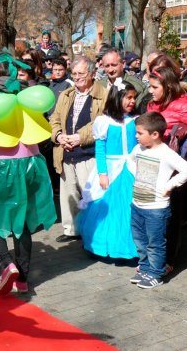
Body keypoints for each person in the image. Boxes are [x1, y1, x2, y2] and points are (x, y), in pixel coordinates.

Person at [0, 56, 57, 295]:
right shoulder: (24, 93)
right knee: (24, 219)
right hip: (32, 163)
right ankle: (23, 280)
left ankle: (6, 263)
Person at [128, 112, 187, 289]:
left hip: (156, 208)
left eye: (140, 133)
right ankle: (146, 268)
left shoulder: (166, 153)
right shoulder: (138, 149)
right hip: (137, 204)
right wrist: (138, 175)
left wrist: (169, 185)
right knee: (140, 239)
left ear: (155, 134)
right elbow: (130, 161)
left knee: (155, 242)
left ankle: (156, 273)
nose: (136, 136)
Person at [77, 79, 139, 259]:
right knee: (108, 208)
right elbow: (100, 149)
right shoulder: (103, 121)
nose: (132, 101)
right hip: (111, 170)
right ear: (116, 98)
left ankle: (130, 246)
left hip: (131, 169)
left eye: (134, 98)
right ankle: (104, 245)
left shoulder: (135, 120)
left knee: (128, 208)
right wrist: (102, 173)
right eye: (128, 98)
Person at [50, 56, 107, 243]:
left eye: (81, 73)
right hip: (66, 151)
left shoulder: (103, 95)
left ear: (91, 73)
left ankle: (93, 231)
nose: (76, 77)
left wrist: (78, 138)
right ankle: (71, 230)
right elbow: (55, 118)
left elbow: (100, 123)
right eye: (73, 73)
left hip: (88, 153)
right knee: (69, 193)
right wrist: (59, 136)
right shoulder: (66, 94)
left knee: (90, 194)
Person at [96, 48, 148, 113]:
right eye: (107, 66)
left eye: (114, 65)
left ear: (123, 64)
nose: (110, 70)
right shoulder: (98, 86)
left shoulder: (137, 87)